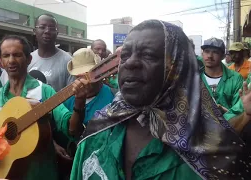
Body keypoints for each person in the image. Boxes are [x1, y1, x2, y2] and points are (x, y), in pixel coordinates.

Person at [70, 20, 251, 180]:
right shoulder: (98, 130)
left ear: (178, 68)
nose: (130, 63)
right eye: (125, 56)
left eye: (148, 55)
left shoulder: (216, 153)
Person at [0, 35, 89, 180]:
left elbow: (72, 130)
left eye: (17, 55)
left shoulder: (44, 92)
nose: (11, 60)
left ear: (29, 59)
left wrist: (79, 101)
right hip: (2, 173)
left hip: (39, 173)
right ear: (0, 62)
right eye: (6, 55)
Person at [0, 14, 75, 91]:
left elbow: (72, 96)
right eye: (42, 27)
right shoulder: (25, 59)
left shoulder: (68, 62)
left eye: (52, 28)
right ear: (34, 31)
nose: (47, 31)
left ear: (57, 33)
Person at [65, 48, 114, 125]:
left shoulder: (113, 96)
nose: (83, 79)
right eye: (78, 76)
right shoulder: (67, 99)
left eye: (87, 74)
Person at [200, 38, 244, 120]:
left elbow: (240, 109)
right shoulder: (195, 78)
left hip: (228, 129)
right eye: (207, 51)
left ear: (223, 56)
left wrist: (224, 113)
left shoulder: (235, 79)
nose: (210, 56)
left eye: (215, 52)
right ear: (202, 54)